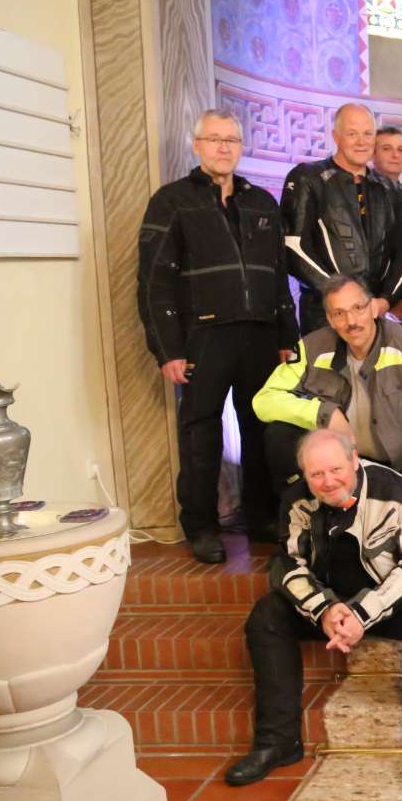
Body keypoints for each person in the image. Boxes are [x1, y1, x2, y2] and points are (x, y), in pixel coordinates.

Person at [226, 429, 402, 789]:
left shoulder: (398, 493)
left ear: (355, 460)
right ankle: (277, 742)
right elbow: (287, 565)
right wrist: (326, 611)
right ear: (305, 475)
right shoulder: (296, 500)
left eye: (336, 470)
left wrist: (362, 614)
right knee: (267, 615)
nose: (328, 481)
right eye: (316, 474)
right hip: (330, 605)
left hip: (390, 601)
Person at [137, 108, 299, 563]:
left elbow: (278, 277)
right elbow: (154, 283)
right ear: (197, 145)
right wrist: (166, 349)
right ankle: (202, 526)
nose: (224, 147)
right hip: (202, 336)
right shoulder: (171, 202)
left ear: (241, 147)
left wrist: (288, 335)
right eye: (214, 139)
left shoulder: (261, 202)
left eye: (231, 140)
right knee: (200, 434)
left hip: (261, 336)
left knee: (262, 428)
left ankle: (262, 514)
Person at [252, 275, 402, 501]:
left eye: (358, 308)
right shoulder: (312, 348)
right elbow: (263, 401)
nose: (351, 321)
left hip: (399, 471)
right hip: (341, 470)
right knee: (279, 435)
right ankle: (304, 513)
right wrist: (324, 414)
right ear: (330, 319)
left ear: (373, 308)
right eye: (339, 313)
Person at [281, 103, 402, 332]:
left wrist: (386, 301)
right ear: (336, 137)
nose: (361, 142)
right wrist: (342, 298)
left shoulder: (389, 189)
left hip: (374, 316)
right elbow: (294, 247)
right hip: (324, 315)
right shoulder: (308, 178)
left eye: (367, 134)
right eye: (352, 134)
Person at [372, 126, 402, 196]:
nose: (396, 155)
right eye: (387, 149)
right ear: (373, 154)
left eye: (401, 150)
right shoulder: (361, 190)